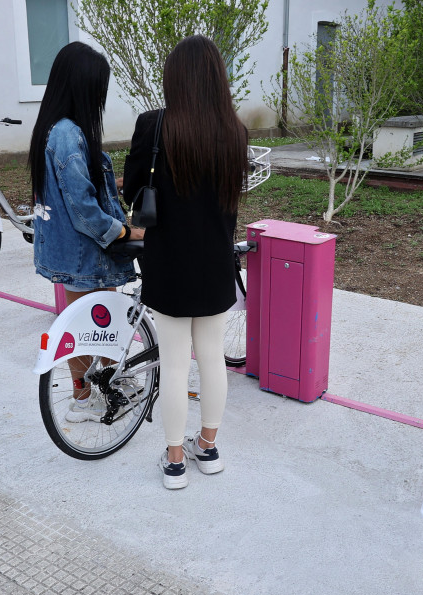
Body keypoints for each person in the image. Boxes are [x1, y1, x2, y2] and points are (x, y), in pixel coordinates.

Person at [123, 35, 249, 489]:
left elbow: (132, 187)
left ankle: (175, 461)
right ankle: (208, 448)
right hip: (216, 261)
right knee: (212, 358)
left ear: (174, 77)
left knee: (175, 363)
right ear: (217, 78)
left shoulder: (153, 125)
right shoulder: (235, 132)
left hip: (168, 262)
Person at [29, 41, 143, 422]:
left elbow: (74, 193)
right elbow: (83, 211)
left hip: (72, 253)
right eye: (98, 89)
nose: (100, 98)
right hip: (85, 254)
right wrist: (126, 233)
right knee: (95, 326)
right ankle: (88, 395)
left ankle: (97, 388)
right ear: (82, 87)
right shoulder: (69, 135)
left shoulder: (53, 130)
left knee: (91, 325)